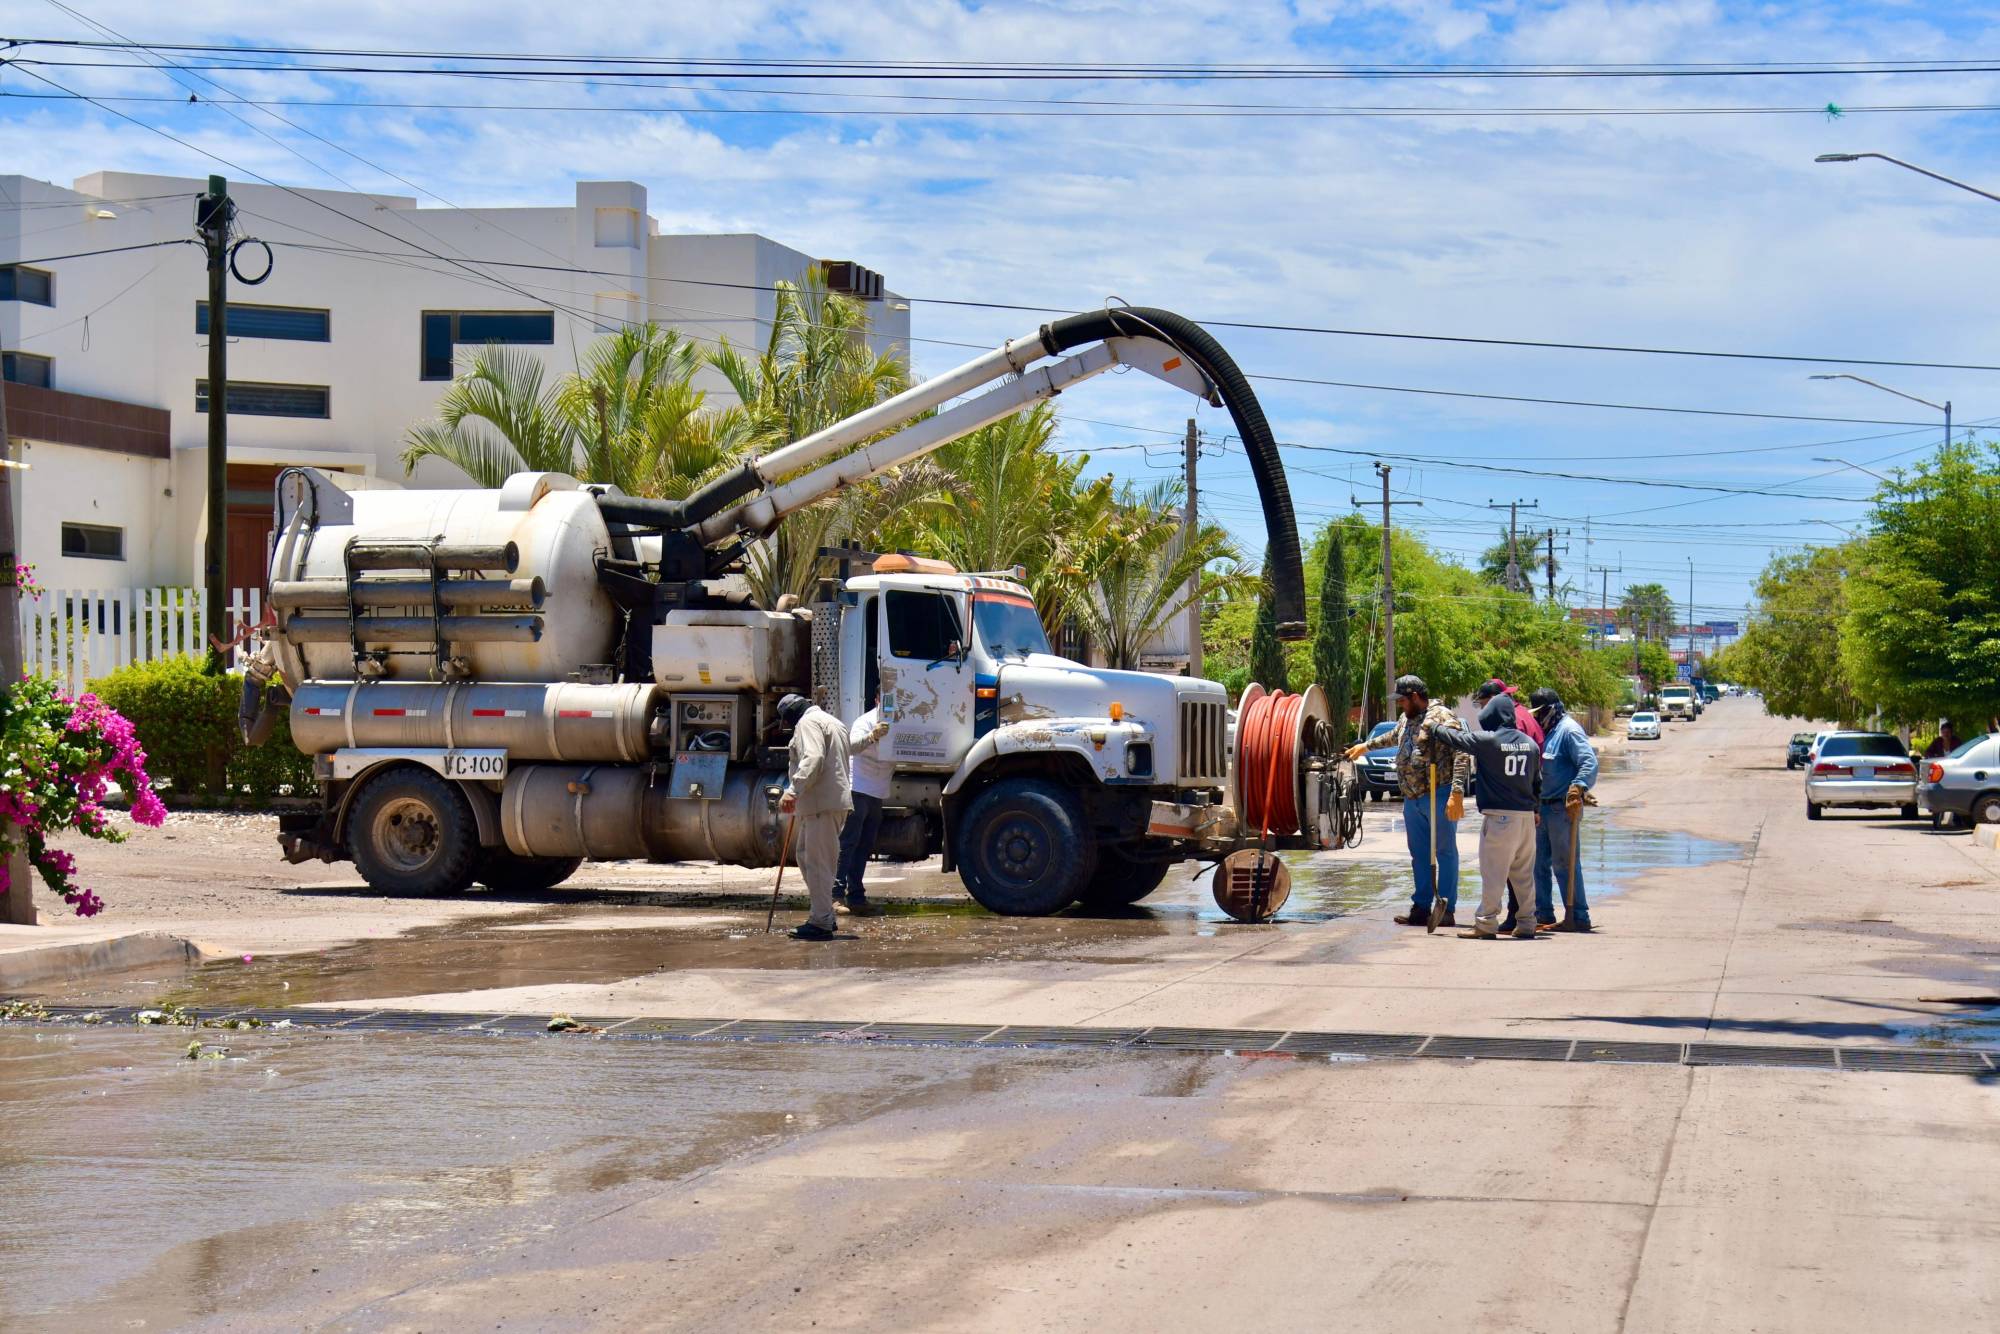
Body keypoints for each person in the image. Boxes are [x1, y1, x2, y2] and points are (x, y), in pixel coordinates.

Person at [1346, 674, 1472, 926]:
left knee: (1445, 852)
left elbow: (1461, 753)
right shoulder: (1407, 717)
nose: (1401, 705)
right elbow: (1394, 736)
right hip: (1412, 797)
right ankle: (1421, 907)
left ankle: (1446, 908)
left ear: (1415, 696)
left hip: (1438, 793)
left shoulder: (1443, 717)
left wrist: (1457, 792)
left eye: (1403, 700)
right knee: (1419, 854)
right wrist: (1367, 746)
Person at [1425, 694, 1543, 940]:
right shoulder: (1530, 744)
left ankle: (1486, 923)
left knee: (1493, 874)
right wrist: (1536, 810)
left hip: (1500, 819)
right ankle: (1527, 923)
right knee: (1523, 875)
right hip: (1526, 820)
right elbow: (1537, 782)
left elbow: (1458, 738)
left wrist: (1434, 727)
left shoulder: (1489, 741)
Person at [777, 693, 851, 941]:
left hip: (820, 804)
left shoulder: (806, 724)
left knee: (818, 864)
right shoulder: (833, 722)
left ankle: (820, 922)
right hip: (826, 804)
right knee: (807, 858)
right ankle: (824, 914)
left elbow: (814, 757)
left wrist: (792, 790)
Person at [1528, 687, 1599, 933]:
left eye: (1540, 712)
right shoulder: (1546, 732)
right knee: (1538, 864)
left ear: (1551, 710)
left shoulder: (1569, 731)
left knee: (1565, 864)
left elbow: (1588, 762)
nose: (1537, 717)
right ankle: (1543, 914)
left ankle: (1578, 915)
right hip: (1542, 808)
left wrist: (1577, 787)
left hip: (1562, 808)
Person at [833, 703, 893, 915]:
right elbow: (851, 746)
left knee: (864, 846)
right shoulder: (865, 721)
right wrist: (872, 735)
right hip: (858, 787)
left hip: (877, 790)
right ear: (878, 698)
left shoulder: (899, 721)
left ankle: (856, 896)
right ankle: (835, 896)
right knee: (848, 842)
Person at [1475, 678, 1543, 747]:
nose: (1482, 708)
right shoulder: (1521, 711)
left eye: (1482, 704)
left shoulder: (1510, 718)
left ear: (1493, 699)